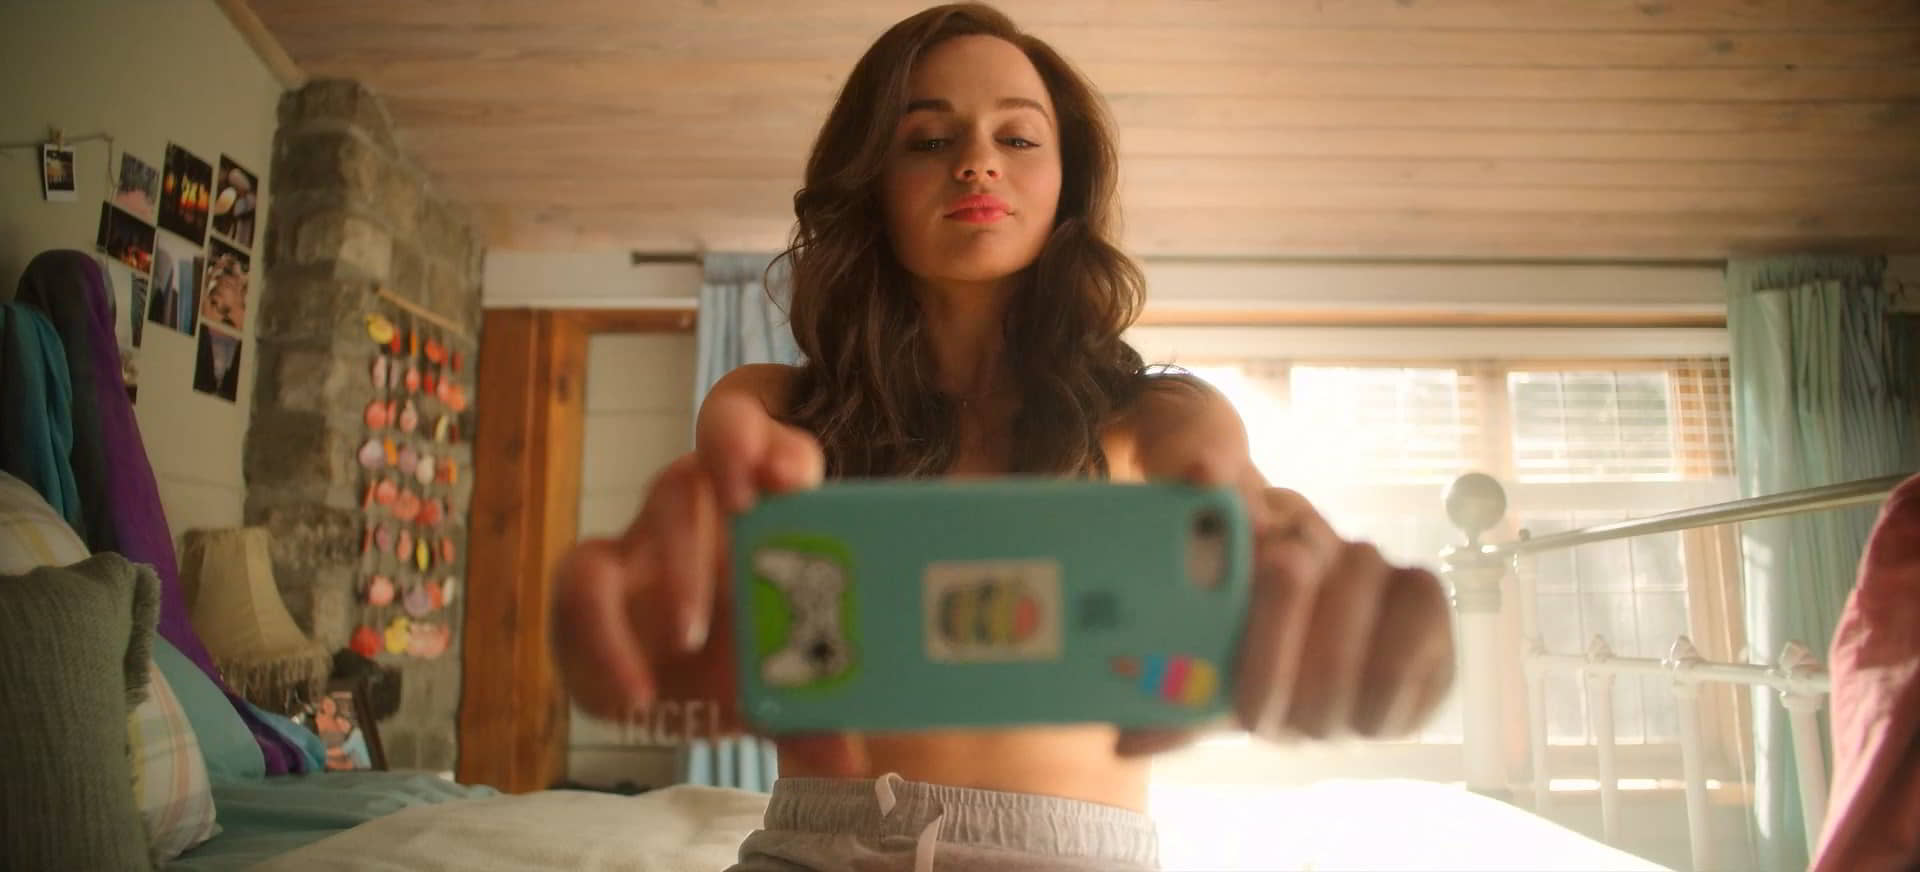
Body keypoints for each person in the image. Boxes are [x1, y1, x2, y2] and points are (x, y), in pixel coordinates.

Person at [552, 5, 1455, 870]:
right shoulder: (776, 406)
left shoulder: (1162, 416)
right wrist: (651, 602)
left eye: (1018, 138)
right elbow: (719, 502)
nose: (977, 162)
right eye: (928, 140)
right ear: (872, 183)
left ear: (1067, 184)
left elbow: (1252, 509)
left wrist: (1377, 626)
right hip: (814, 850)